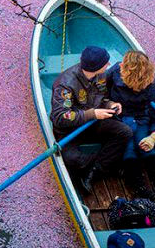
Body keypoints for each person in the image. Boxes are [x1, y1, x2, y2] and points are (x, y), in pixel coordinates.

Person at [50, 46, 132, 194]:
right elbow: (60, 117)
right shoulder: (65, 85)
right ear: (96, 67)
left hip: (93, 123)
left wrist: (110, 104)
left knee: (125, 132)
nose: (108, 65)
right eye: (105, 63)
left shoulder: (100, 76)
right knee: (70, 159)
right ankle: (107, 165)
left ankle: (94, 170)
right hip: (70, 130)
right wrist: (92, 114)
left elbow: (102, 98)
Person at [106, 50, 155, 204]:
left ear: (130, 72)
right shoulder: (115, 72)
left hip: (141, 119)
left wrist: (153, 137)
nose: (120, 64)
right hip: (119, 118)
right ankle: (140, 188)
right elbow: (104, 91)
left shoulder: (152, 86)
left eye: (124, 64)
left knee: (146, 146)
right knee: (128, 149)